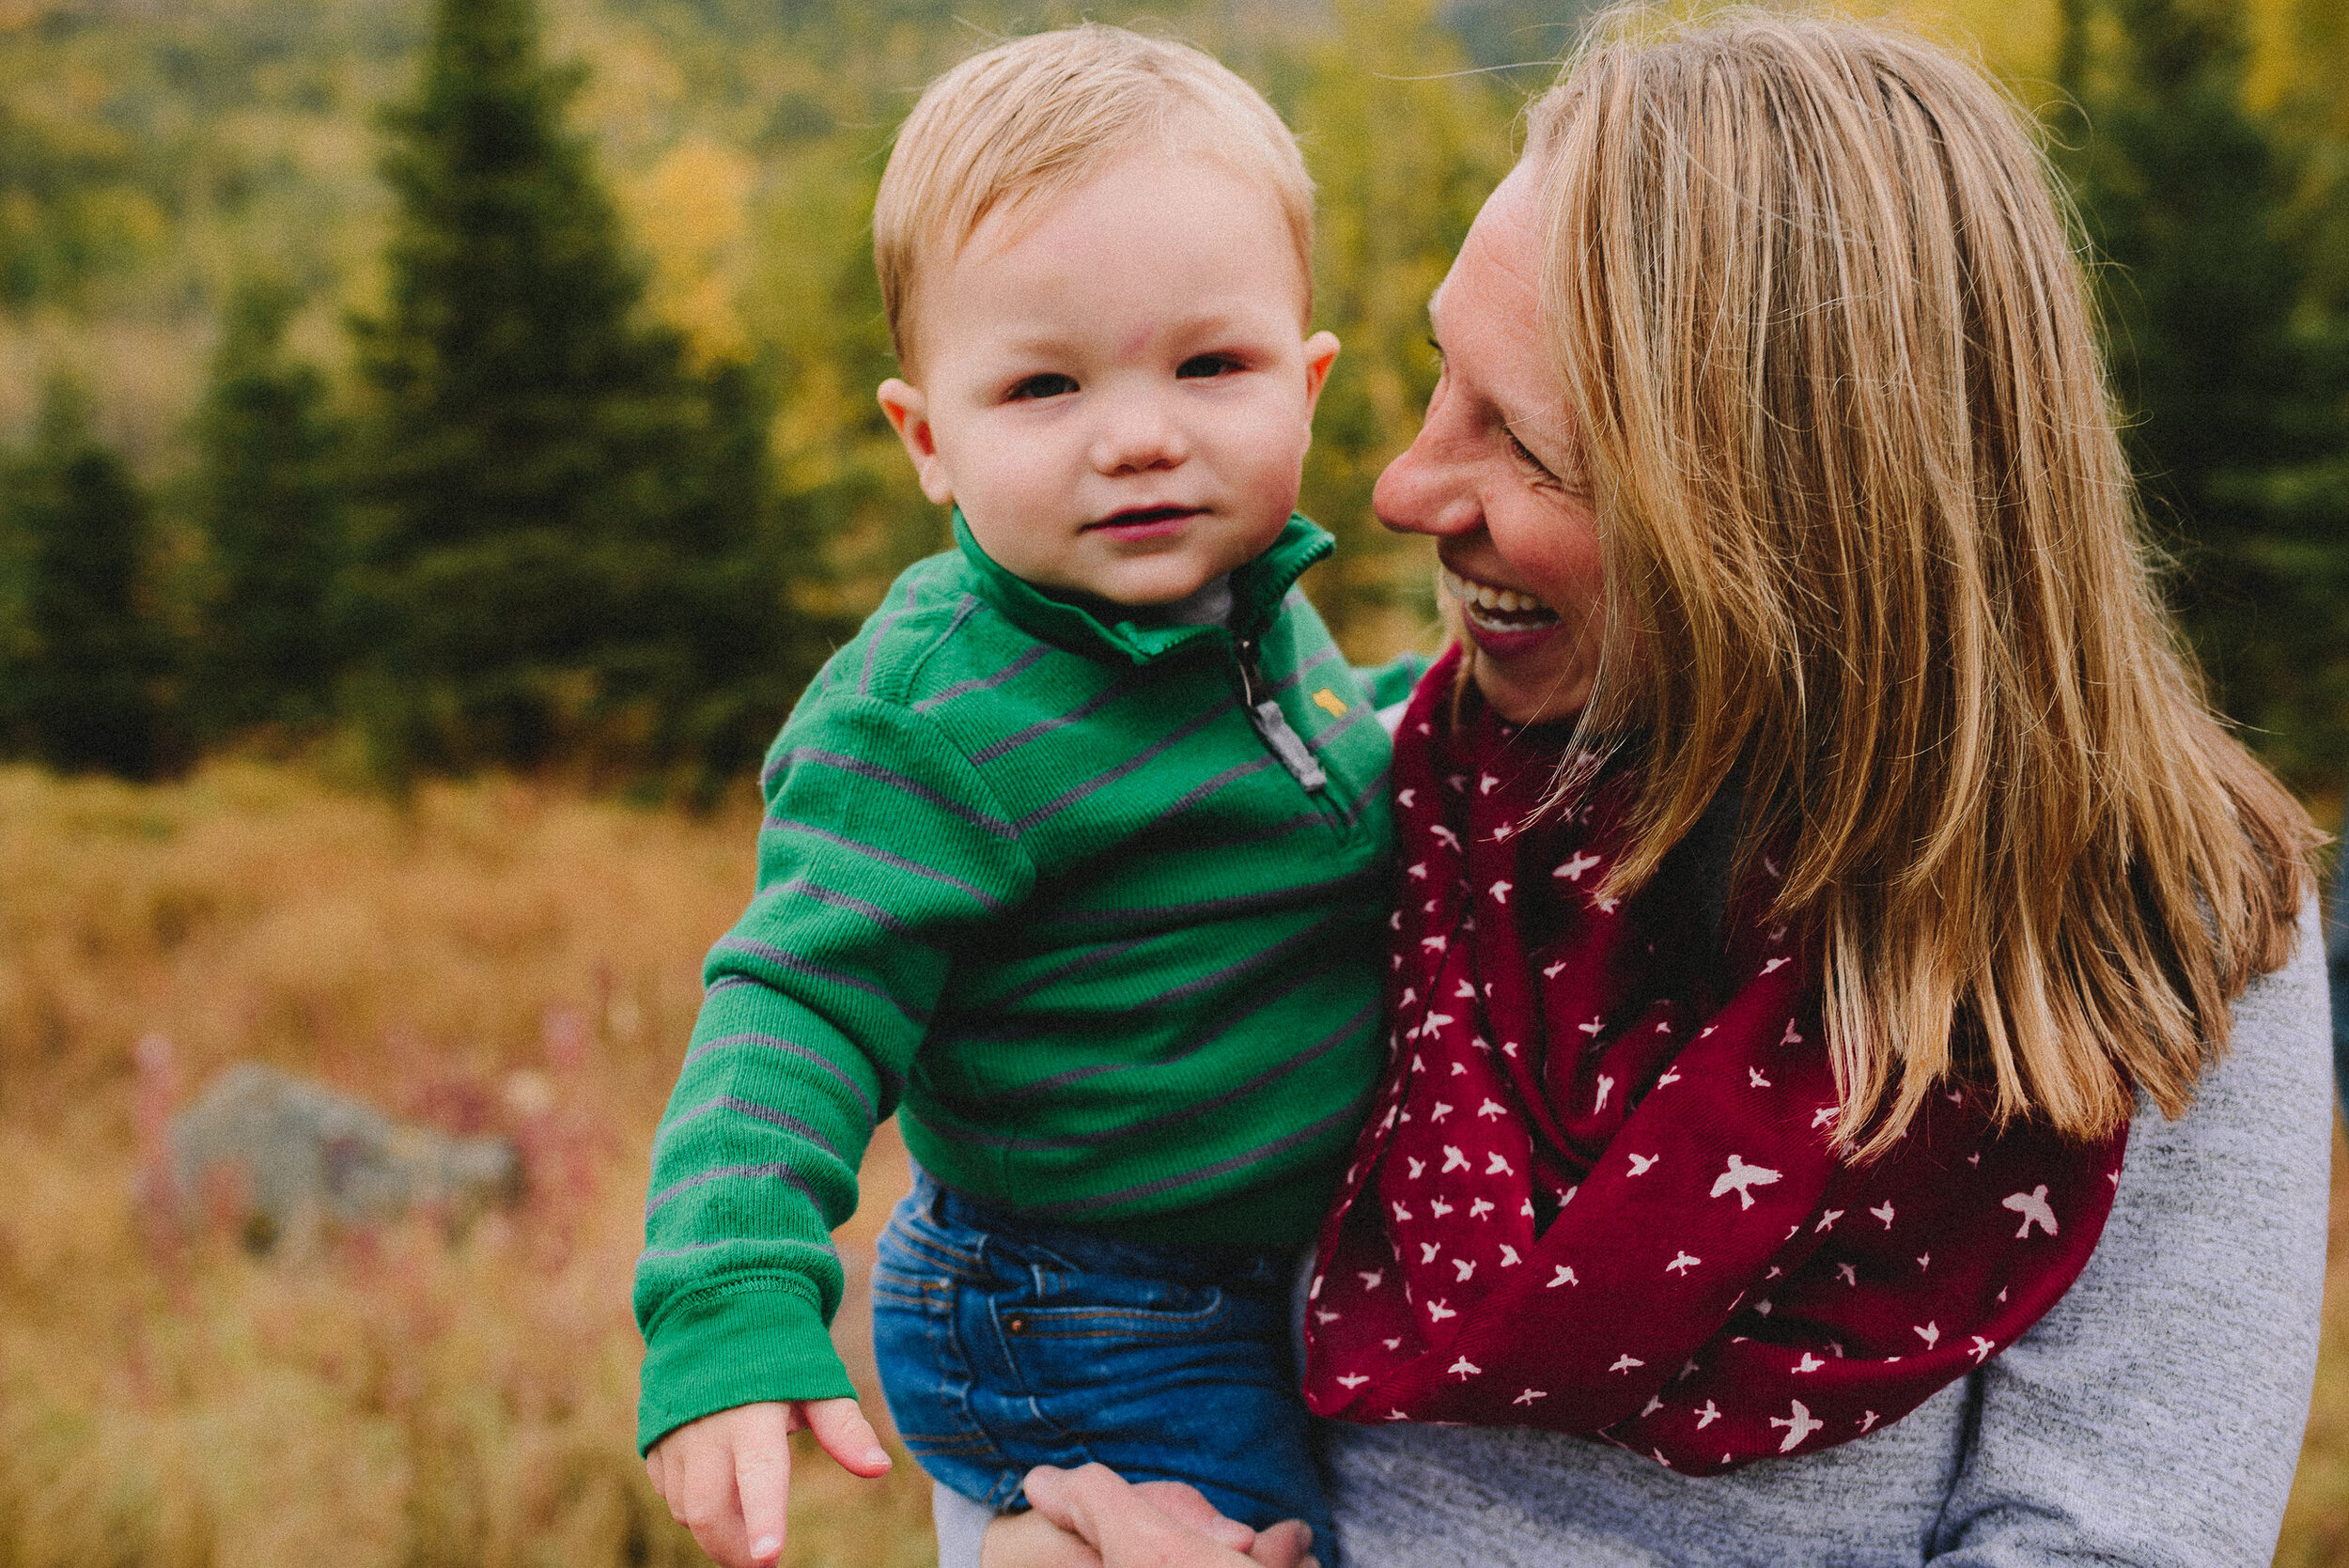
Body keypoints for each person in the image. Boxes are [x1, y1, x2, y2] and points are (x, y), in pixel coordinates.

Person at [983, 10, 2333, 1566]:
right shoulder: (1363, 799)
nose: (1404, 489)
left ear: (1797, 532)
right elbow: (1072, 1312)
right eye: (1440, 373)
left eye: (1532, 449)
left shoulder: (2152, 933)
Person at [632, 23, 1423, 1568]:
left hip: (1259, 1264)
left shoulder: (1251, 601)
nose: (1140, 435)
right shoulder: (929, 721)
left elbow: (1319, 766)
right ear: (929, 437)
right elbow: (790, 1008)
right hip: (1080, 1304)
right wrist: (728, 1295)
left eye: (1211, 365)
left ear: (1306, 382)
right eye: (1045, 385)